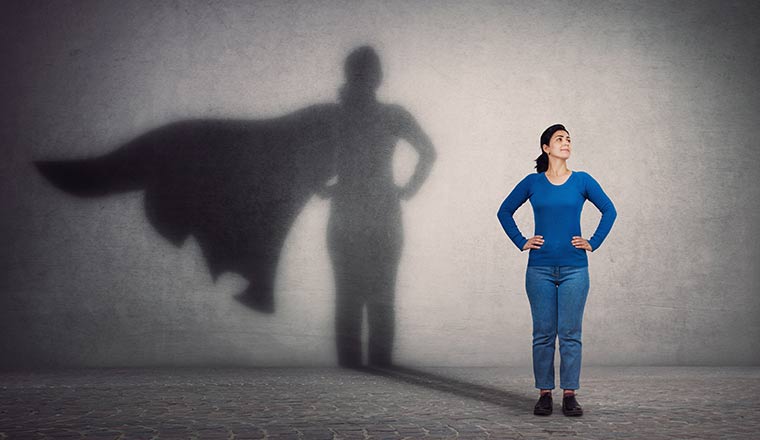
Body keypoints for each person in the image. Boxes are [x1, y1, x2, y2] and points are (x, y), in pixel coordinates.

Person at [319, 46, 436, 367]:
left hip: (346, 211)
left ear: (347, 74)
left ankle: (352, 372)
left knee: (348, 296)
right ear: (378, 78)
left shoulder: (334, 116)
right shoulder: (392, 115)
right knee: (381, 295)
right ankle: (380, 369)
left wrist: (322, 186)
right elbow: (428, 151)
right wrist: (408, 189)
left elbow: (303, 159)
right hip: (383, 212)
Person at [497, 124, 616, 416]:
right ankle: (545, 394)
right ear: (546, 148)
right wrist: (521, 240)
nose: (566, 143)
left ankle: (570, 394)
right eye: (559, 139)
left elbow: (610, 210)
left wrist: (593, 241)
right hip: (540, 269)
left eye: (569, 139)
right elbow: (504, 211)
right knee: (544, 334)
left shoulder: (582, 181)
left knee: (570, 333)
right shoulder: (533, 182)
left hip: (575, 268)